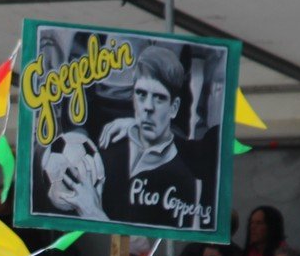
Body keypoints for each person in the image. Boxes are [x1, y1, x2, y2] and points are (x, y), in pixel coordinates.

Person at [49, 46, 201, 230]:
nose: (148, 107)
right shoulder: (107, 150)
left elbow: (153, 245)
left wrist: (93, 214)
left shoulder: (182, 175)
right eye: (141, 94)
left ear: (174, 107)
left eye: (159, 98)